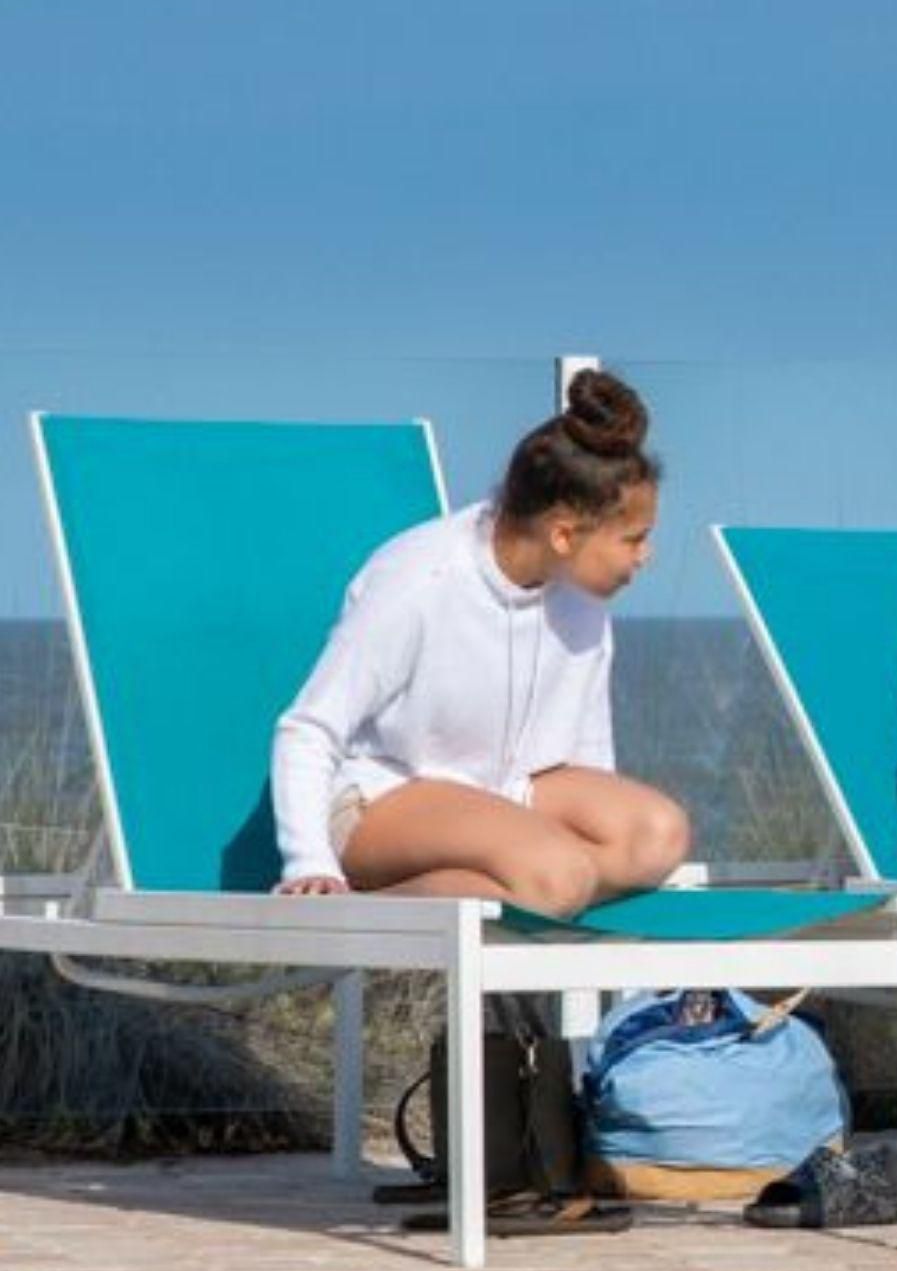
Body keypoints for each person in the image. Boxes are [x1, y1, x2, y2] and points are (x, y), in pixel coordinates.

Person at [271, 368, 689, 915]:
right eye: (634, 539)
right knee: (557, 875)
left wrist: (570, 846)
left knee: (658, 835)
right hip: (383, 797)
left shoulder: (581, 597)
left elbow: (587, 756)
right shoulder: (420, 580)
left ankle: (523, 890)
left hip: (505, 798)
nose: (645, 556)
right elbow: (307, 728)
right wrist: (310, 863)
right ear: (564, 533)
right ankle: (362, 912)